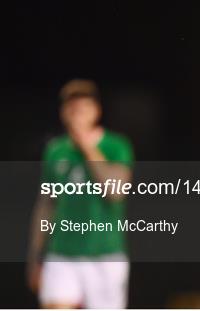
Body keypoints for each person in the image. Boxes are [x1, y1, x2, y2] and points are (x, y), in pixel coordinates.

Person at [27, 79, 134, 308]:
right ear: (63, 112)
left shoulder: (116, 146)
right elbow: (46, 204)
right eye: (72, 109)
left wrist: (87, 147)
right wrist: (36, 257)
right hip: (62, 252)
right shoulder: (56, 150)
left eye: (83, 109)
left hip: (104, 254)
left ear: (96, 111)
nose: (77, 115)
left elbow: (115, 192)